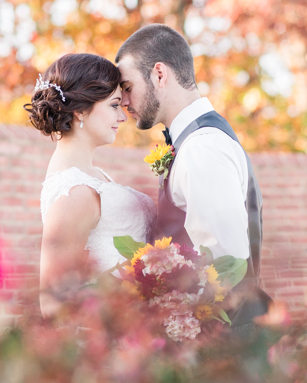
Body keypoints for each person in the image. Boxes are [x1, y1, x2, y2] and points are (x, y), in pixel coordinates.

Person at [115, 24, 272, 336]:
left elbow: (226, 267)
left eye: (127, 87)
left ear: (159, 74)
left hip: (224, 343)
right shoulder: (193, 142)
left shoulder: (202, 147)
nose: (123, 102)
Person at [25, 53, 156, 317]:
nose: (123, 116)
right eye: (114, 105)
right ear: (81, 109)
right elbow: (54, 304)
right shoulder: (74, 192)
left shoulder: (92, 175)